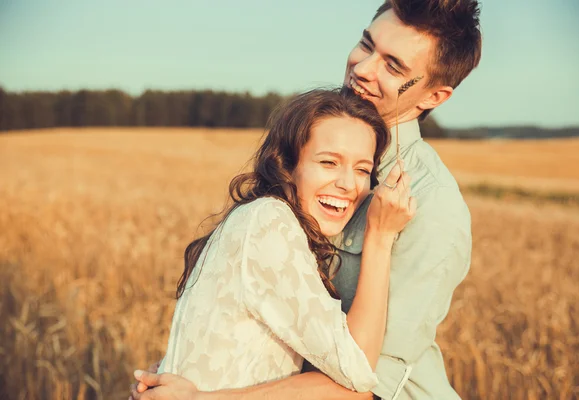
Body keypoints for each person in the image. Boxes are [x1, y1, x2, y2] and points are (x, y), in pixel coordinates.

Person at [132, 0, 482, 398]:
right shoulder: (309, 143)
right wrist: (189, 366)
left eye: (393, 66)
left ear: (433, 96)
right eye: (366, 45)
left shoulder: (433, 207)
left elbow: (365, 384)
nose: (363, 68)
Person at [129, 88, 416, 398]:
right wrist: (380, 237)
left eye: (362, 170)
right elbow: (357, 369)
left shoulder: (260, 217)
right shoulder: (269, 221)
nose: (348, 184)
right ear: (287, 166)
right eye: (329, 162)